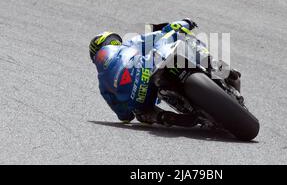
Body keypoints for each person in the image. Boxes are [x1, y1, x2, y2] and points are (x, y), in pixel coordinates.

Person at [89, 19, 241, 127]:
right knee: (183, 37)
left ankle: (166, 118)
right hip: (146, 68)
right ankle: (215, 66)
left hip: (138, 96)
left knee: (140, 113)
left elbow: (124, 117)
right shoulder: (127, 45)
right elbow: (159, 35)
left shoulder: (102, 85)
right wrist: (183, 23)